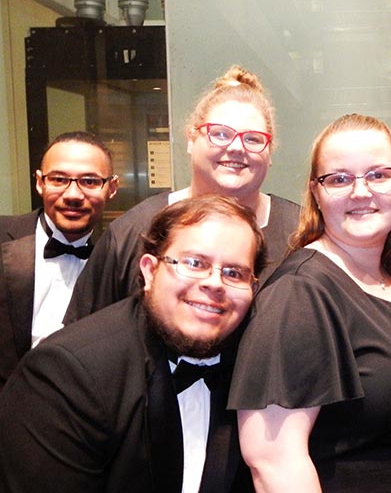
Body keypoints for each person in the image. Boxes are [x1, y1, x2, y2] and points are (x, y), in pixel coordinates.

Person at [229, 114, 391, 492]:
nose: (360, 192)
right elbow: (273, 461)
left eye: (378, 174)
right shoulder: (301, 292)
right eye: (338, 179)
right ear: (316, 194)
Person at [0, 195, 264, 492]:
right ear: (150, 271)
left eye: (234, 273)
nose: (215, 283)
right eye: (194, 263)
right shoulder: (64, 376)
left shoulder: (257, 366)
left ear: (252, 288)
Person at [62, 65, 300, 324]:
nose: (236, 147)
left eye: (253, 139)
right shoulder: (133, 232)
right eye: (219, 134)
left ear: (270, 151)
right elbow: (83, 338)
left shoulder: (299, 234)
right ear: (190, 139)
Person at [0, 131, 118, 387]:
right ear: (40, 182)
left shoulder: (118, 265)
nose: (73, 194)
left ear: (112, 188)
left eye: (89, 181)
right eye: (59, 179)